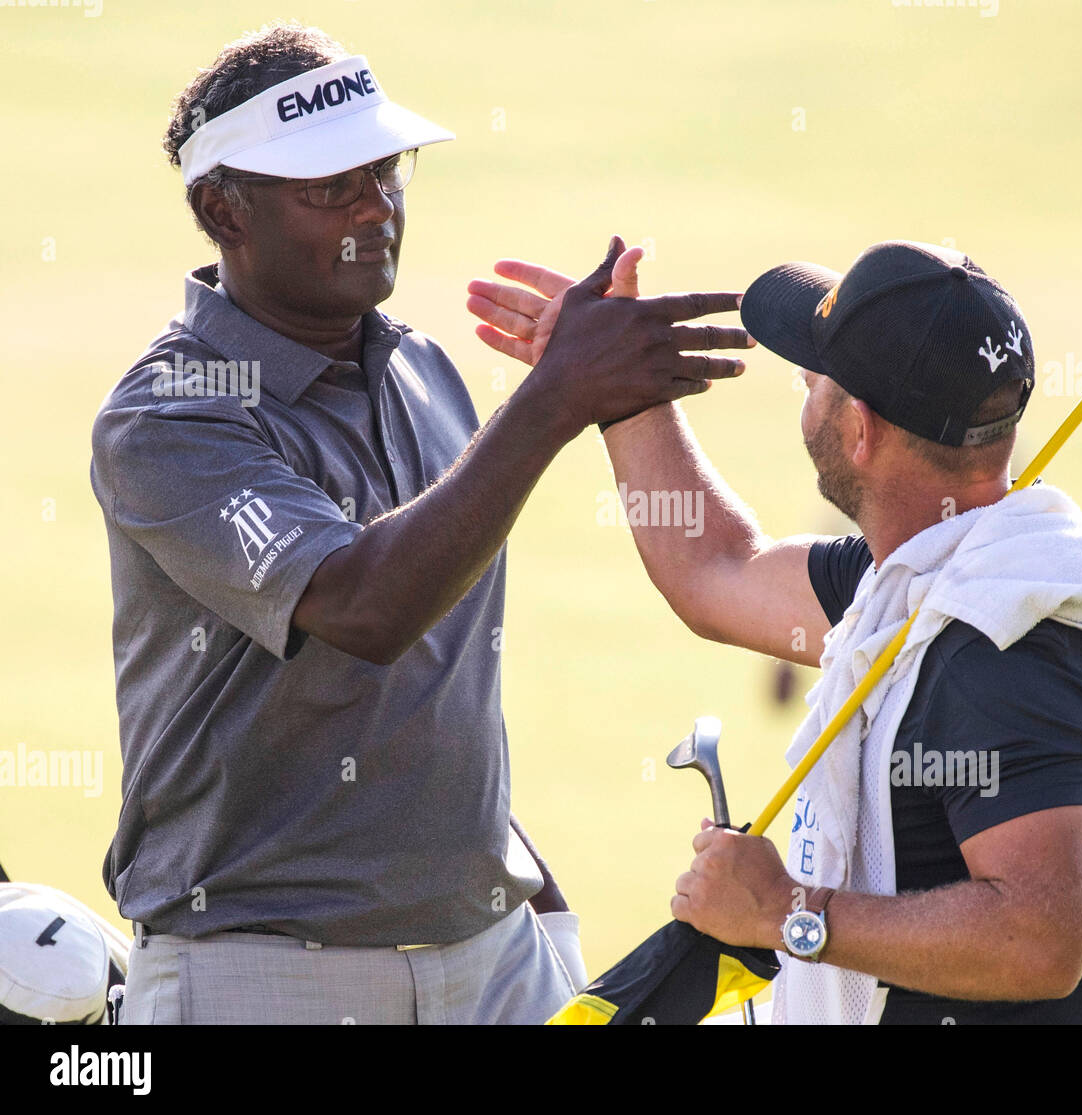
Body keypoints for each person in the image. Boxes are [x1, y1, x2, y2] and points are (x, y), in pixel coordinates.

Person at [89, 22, 748, 1025]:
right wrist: (557, 397)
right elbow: (367, 605)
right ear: (222, 210)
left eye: (386, 172)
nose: (375, 210)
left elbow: (433, 688)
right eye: (329, 189)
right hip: (266, 971)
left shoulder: (420, 368)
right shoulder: (170, 416)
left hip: (493, 956)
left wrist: (537, 910)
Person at [468, 239, 1082, 1024]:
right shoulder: (919, 578)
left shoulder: (999, 650)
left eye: (816, 374)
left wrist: (785, 909)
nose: (803, 378)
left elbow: (1039, 937)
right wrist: (621, 391)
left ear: (859, 430)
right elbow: (718, 569)